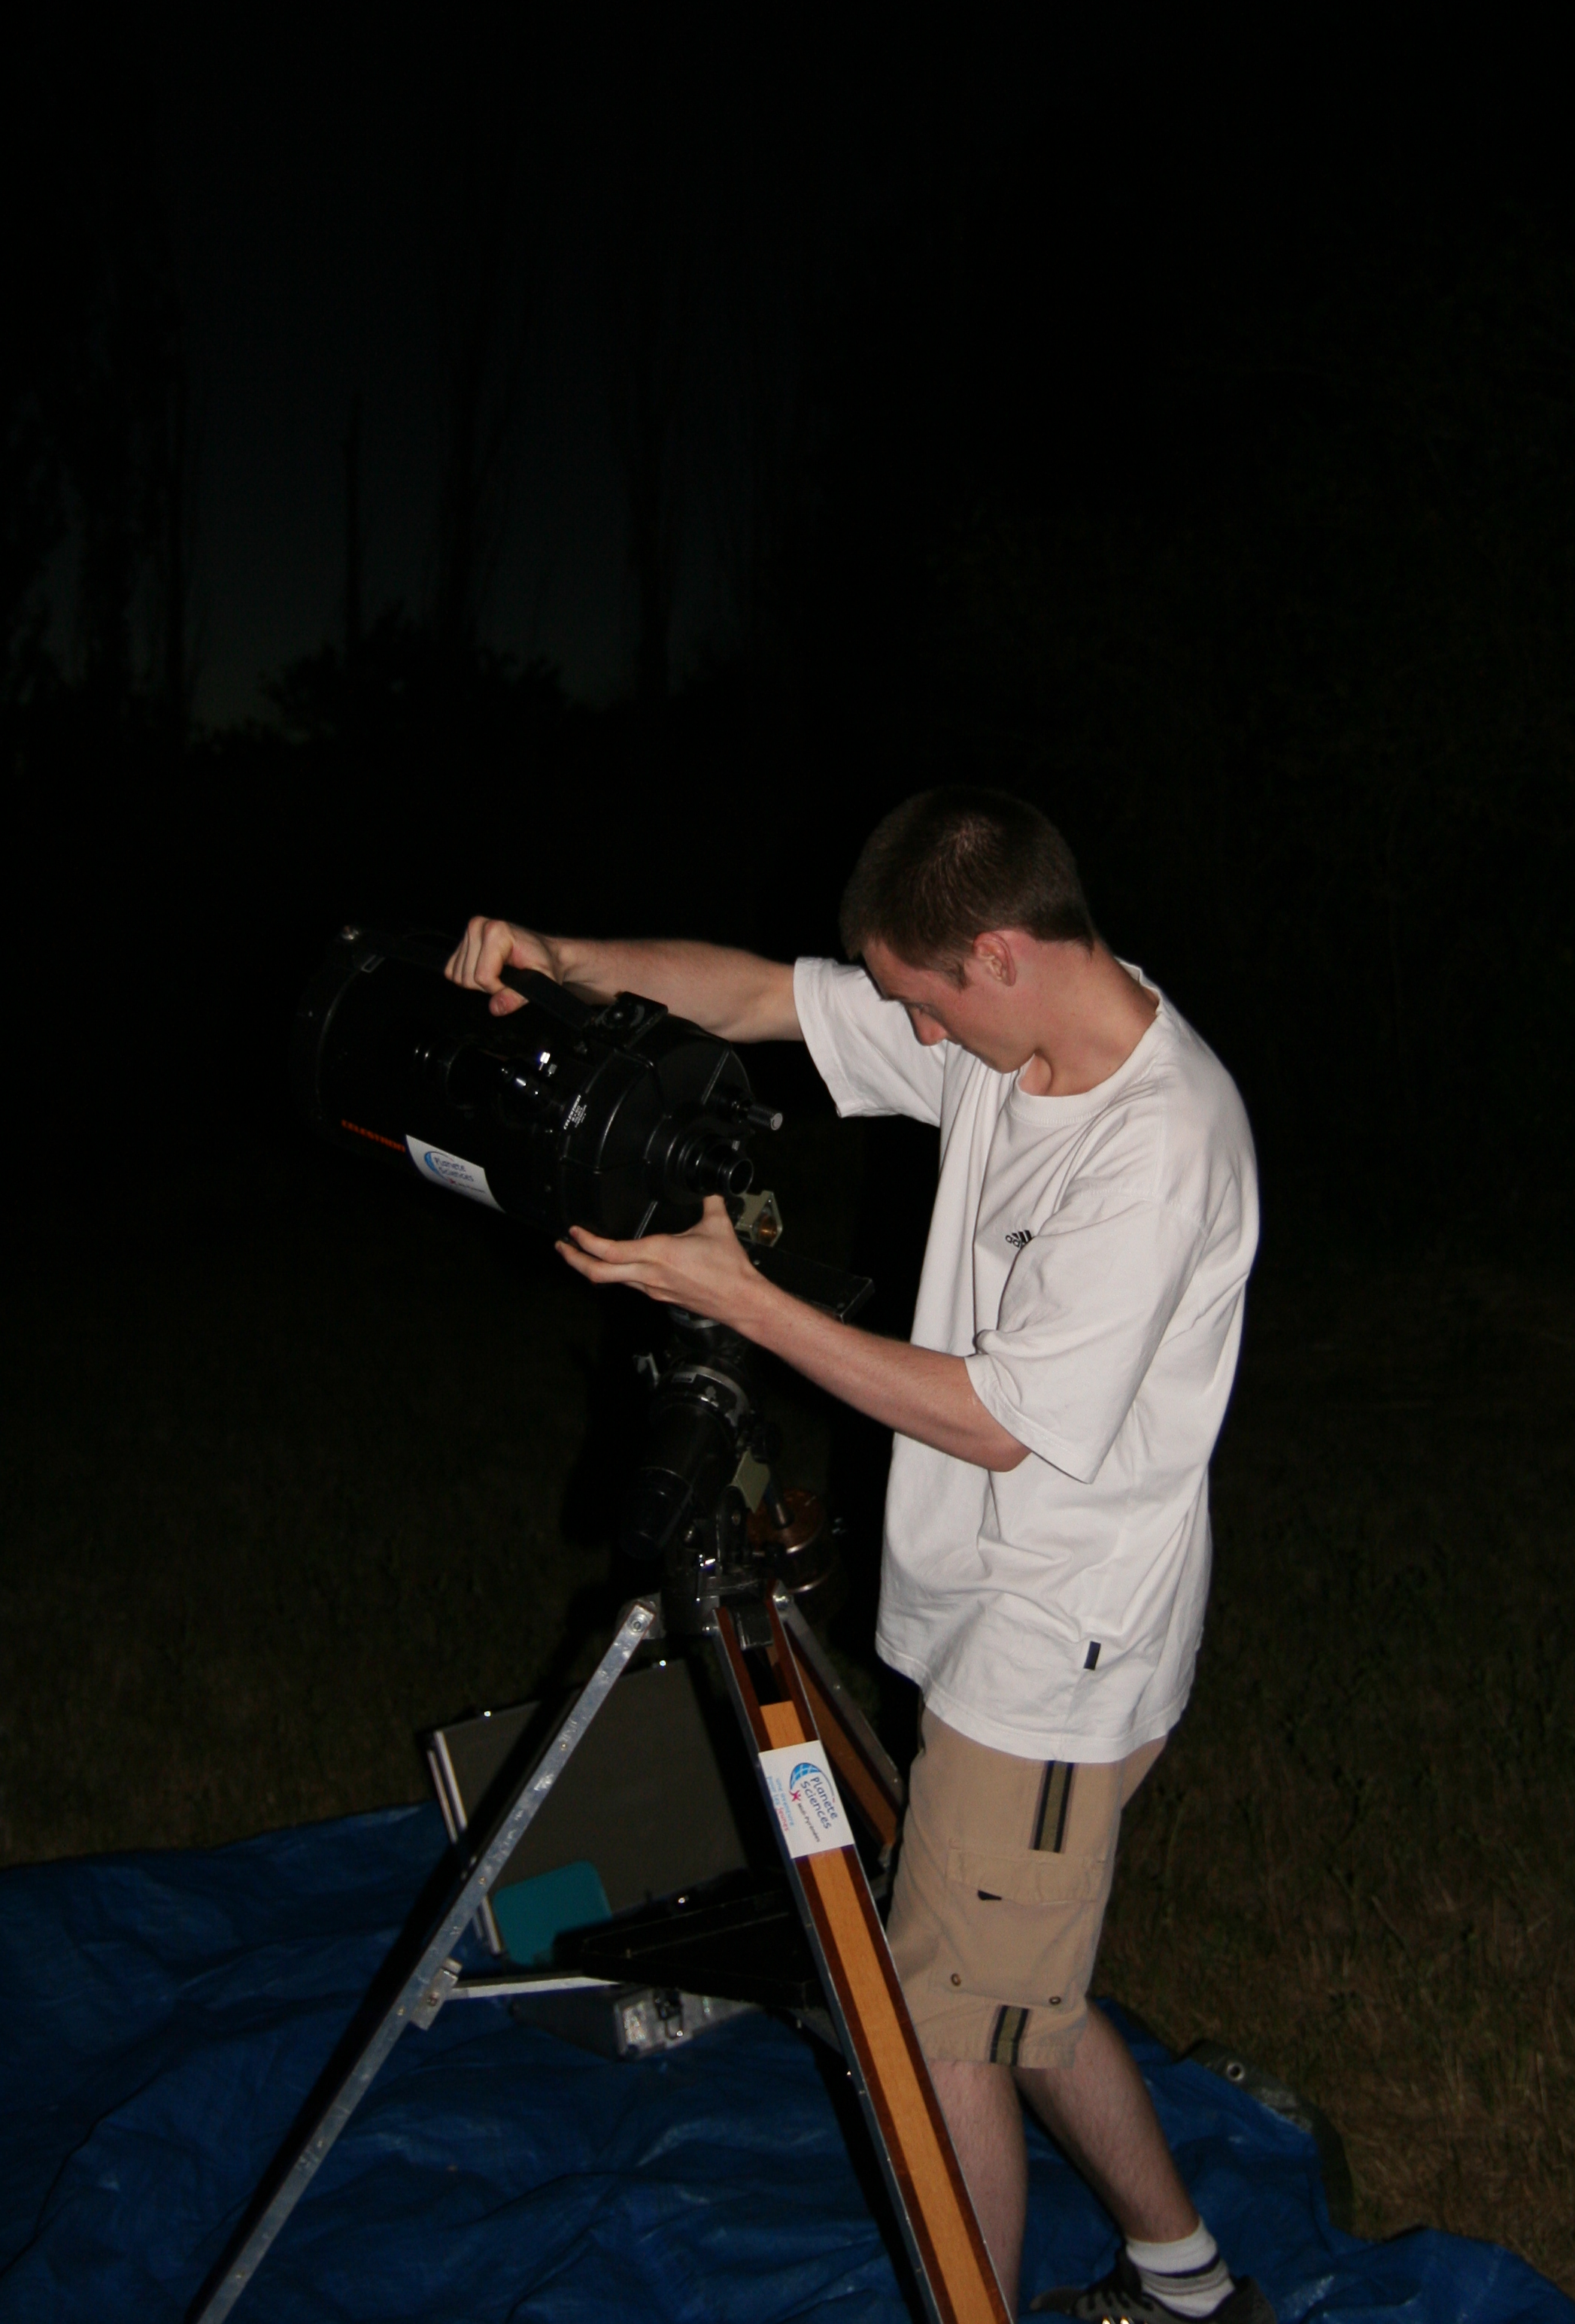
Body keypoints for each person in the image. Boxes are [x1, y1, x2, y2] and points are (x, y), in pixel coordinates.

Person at [445, 787, 1269, 2324]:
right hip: (996, 1619)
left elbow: (998, 1423)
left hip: (1053, 1649)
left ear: (1002, 952)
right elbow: (764, 996)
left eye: (926, 1005)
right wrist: (570, 961)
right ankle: (1187, 2280)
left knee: (941, 2021)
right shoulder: (1011, 1030)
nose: (917, 1037)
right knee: (1010, 1979)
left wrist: (744, 1300)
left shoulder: (1157, 1148)